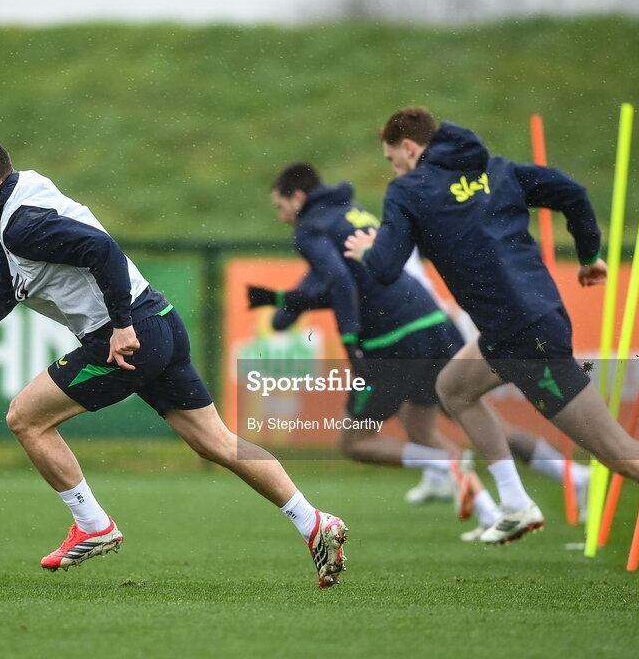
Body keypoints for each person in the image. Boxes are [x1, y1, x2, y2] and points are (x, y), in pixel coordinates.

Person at [344, 107, 639, 567]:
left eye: (392, 159)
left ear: (409, 147)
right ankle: (514, 502)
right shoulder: (497, 170)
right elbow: (571, 192)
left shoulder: (409, 190)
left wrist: (368, 248)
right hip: (531, 321)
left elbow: (385, 268)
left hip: (524, 338)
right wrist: (589, 255)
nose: (394, 168)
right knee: (454, 388)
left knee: (618, 452)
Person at [0, 133, 347, 587]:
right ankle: (313, 522)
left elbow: (100, 249)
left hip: (125, 337)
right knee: (217, 442)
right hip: (159, 319)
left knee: (25, 418)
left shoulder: (21, 224)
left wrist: (121, 325)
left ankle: (93, 525)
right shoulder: (25, 197)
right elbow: (6, 282)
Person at [252, 162, 590, 541]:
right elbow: (328, 281)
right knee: (430, 424)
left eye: (280, 207)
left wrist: (349, 346)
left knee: (355, 440)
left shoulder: (311, 227)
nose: (281, 216)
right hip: (432, 319)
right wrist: (285, 307)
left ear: (297, 198)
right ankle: (526, 496)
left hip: (394, 337)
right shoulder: (348, 212)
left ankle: (450, 467)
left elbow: (339, 284)